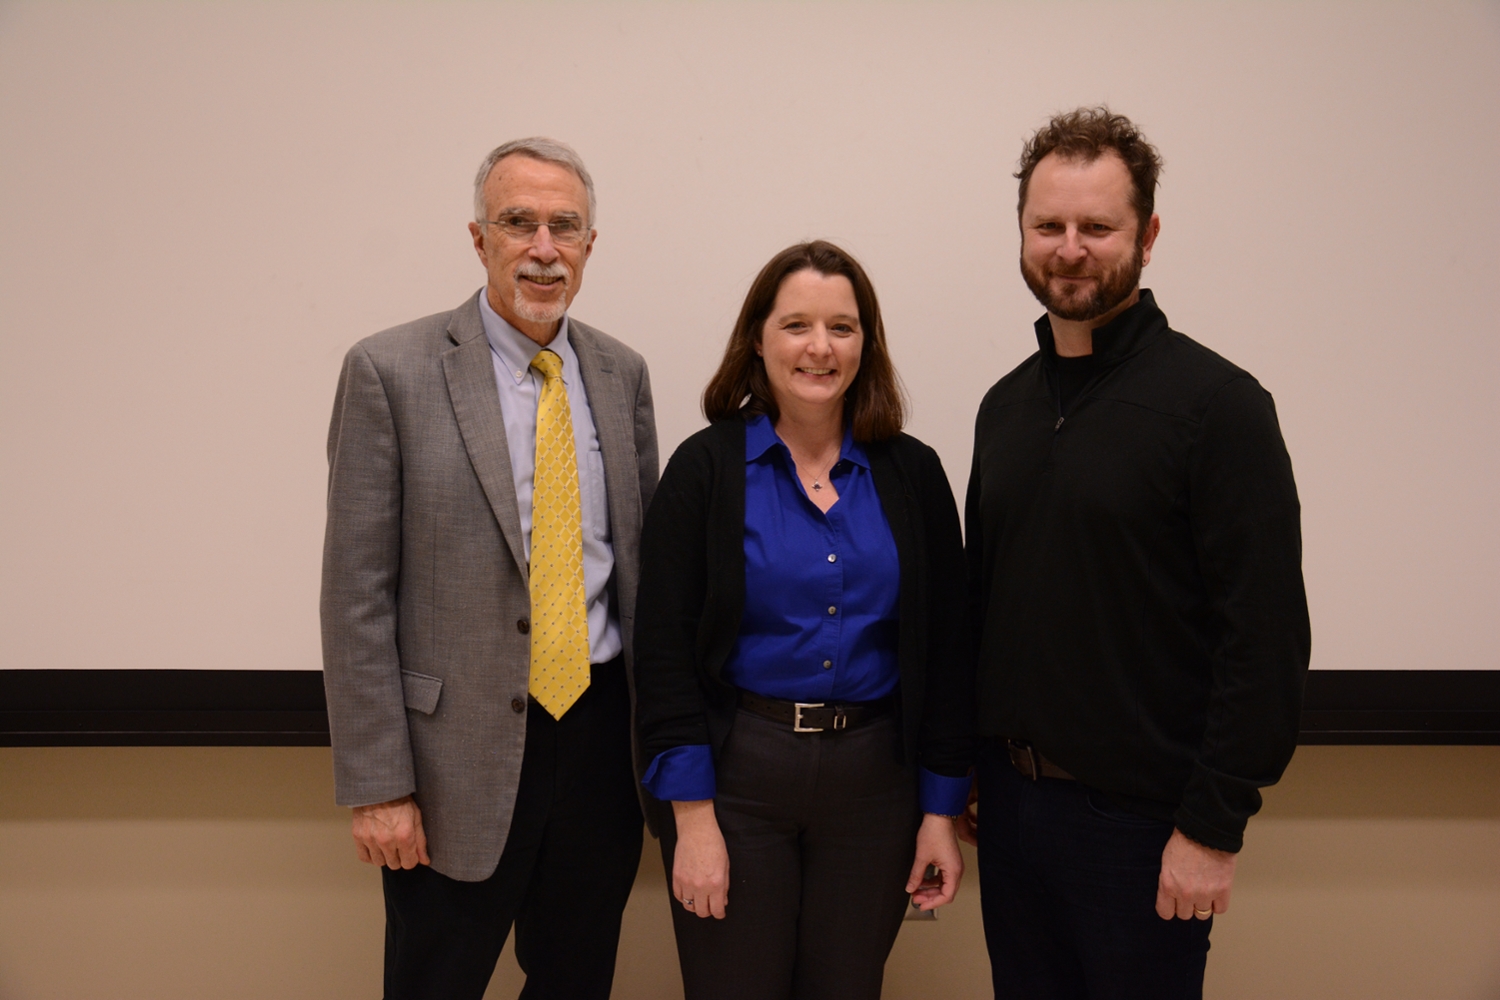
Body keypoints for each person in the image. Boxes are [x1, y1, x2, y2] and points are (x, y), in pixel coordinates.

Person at [964, 107, 1311, 997]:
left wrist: (1213, 829)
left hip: (1144, 831)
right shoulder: (1003, 409)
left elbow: (1264, 641)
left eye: (1097, 227)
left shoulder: (1217, 407)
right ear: (1022, 234)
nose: (1069, 248)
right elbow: (987, 609)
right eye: (1049, 226)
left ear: (1147, 235)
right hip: (1008, 813)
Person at [320, 137, 658, 1000]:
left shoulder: (621, 375)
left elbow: (640, 568)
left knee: (576, 980)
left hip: (596, 746)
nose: (543, 247)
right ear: (479, 239)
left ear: (589, 245)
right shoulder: (389, 372)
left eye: (564, 227)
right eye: (519, 223)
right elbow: (356, 596)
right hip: (449, 766)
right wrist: (379, 786)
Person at [633, 241, 974, 1000]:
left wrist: (939, 814)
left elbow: (947, 654)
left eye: (842, 328)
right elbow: (661, 657)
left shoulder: (913, 474)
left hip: (875, 786)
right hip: (737, 782)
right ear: (758, 339)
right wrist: (691, 822)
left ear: (866, 344)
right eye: (796, 325)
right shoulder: (705, 470)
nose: (819, 347)